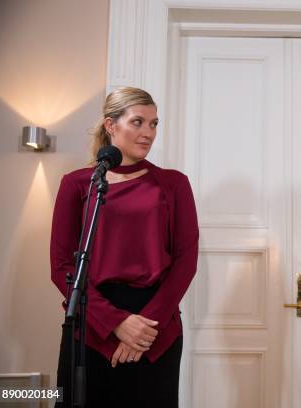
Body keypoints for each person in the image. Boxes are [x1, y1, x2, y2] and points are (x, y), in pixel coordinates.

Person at [50, 87, 199, 407]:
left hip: (155, 325)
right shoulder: (77, 184)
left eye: (154, 124)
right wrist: (115, 322)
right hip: (92, 320)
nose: (148, 133)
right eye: (138, 122)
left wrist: (144, 328)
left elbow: (186, 260)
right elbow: (62, 265)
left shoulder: (174, 183)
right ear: (110, 125)